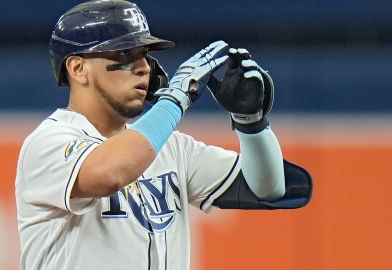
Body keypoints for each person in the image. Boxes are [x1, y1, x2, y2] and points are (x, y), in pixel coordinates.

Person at [15, 0, 312, 269]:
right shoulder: (49, 142)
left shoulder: (170, 147)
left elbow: (268, 187)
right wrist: (174, 101)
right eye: (125, 55)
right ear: (79, 69)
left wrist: (250, 125)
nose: (144, 68)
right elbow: (110, 173)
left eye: (144, 55)